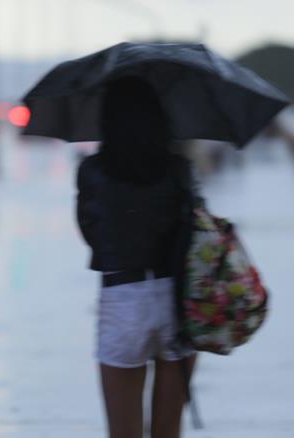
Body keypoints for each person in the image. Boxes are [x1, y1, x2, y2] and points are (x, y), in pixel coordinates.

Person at [76, 76, 199, 438]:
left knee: (123, 430)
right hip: (176, 298)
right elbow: (195, 230)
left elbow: (91, 233)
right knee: (168, 429)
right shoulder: (178, 169)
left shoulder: (93, 170)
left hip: (122, 295)